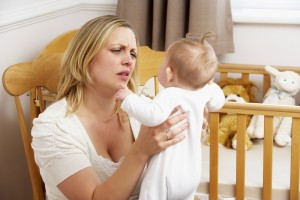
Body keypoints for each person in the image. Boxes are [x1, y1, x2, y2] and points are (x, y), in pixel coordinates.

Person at [31, 15, 189, 200]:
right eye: (116, 50)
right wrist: (141, 150)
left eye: (132, 53)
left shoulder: (143, 111)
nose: (129, 61)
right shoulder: (53, 128)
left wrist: (186, 130)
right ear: (85, 57)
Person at [115, 33, 225, 200]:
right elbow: (218, 102)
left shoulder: (171, 94)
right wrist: (209, 83)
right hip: (191, 173)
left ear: (169, 73)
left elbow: (152, 115)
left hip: (167, 173)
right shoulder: (205, 92)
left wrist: (129, 97)